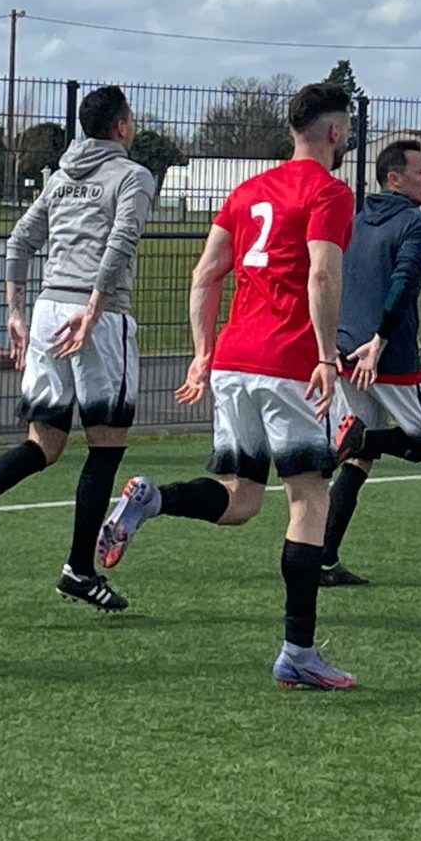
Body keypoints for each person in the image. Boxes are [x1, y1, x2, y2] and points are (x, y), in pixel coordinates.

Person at [96, 83, 358, 690]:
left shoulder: (247, 191)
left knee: (241, 498)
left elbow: (205, 274)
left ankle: (153, 500)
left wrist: (203, 353)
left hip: (237, 361)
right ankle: (298, 651)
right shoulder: (329, 191)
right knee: (309, 500)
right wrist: (326, 355)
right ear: (334, 132)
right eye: (346, 129)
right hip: (289, 362)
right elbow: (322, 273)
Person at [0, 83, 157, 612]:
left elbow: (20, 240)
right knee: (106, 444)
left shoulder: (60, 177)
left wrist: (15, 311)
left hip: (49, 308)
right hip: (96, 318)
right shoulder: (133, 175)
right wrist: (95, 309)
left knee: (45, 443)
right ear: (122, 127)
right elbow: (121, 241)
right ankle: (79, 570)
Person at [320, 138, 421, 587]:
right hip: (386, 355)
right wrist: (381, 339)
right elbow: (404, 281)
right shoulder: (418, 224)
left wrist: (336, 340)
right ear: (394, 179)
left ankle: (323, 560)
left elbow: (333, 277)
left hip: (346, 351)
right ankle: (360, 438)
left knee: (358, 462)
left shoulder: (356, 220)